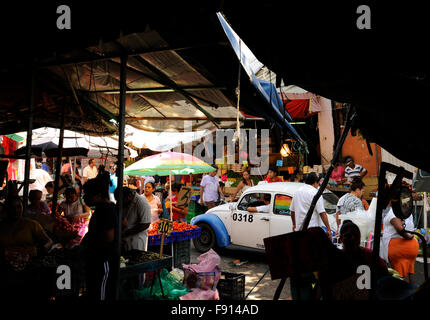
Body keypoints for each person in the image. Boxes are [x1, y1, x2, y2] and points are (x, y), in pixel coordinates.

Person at [81, 176, 118, 301]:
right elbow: (123, 224)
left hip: (103, 259)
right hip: (98, 258)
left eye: (87, 194)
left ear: (98, 195)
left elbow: (108, 237)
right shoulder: (105, 207)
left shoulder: (105, 209)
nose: (84, 197)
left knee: (100, 294)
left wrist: (89, 247)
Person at [381, 204, 419, 283]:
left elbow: (399, 228)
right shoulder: (406, 212)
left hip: (399, 249)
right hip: (409, 248)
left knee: (400, 277)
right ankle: (412, 292)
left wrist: (407, 236)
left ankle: (404, 293)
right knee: (408, 274)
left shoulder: (394, 212)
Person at [290, 172, 332, 239]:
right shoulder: (315, 193)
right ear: (315, 182)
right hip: (312, 232)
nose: (318, 186)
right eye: (318, 184)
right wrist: (328, 229)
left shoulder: (297, 192)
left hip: (299, 230)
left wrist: (294, 224)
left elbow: (292, 212)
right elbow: (322, 213)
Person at [115, 187, 151, 252]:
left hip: (136, 241)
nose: (120, 202)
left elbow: (145, 224)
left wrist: (126, 232)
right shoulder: (123, 201)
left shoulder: (141, 202)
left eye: (122, 200)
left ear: (129, 196)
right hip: (123, 240)